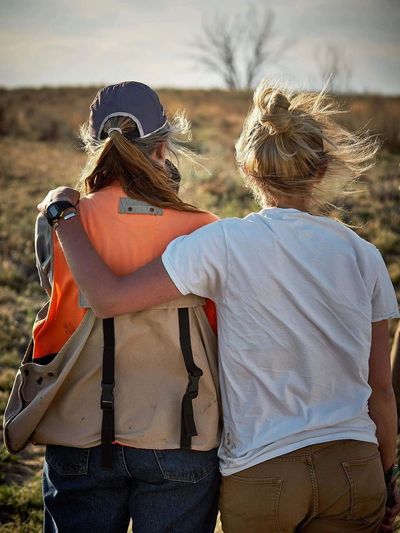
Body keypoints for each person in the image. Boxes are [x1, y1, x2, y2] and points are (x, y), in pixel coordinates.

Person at [39, 81, 400, 533]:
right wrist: (388, 475)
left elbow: (100, 299)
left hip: (251, 466)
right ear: (321, 167)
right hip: (343, 463)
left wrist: (61, 214)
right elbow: (381, 391)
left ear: (248, 170)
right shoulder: (363, 255)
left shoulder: (221, 243)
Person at [33, 81, 221, 533]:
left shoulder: (60, 220)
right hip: (179, 431)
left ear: (95, 146)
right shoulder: (205, 229)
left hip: (77, 429)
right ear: (163, 149)